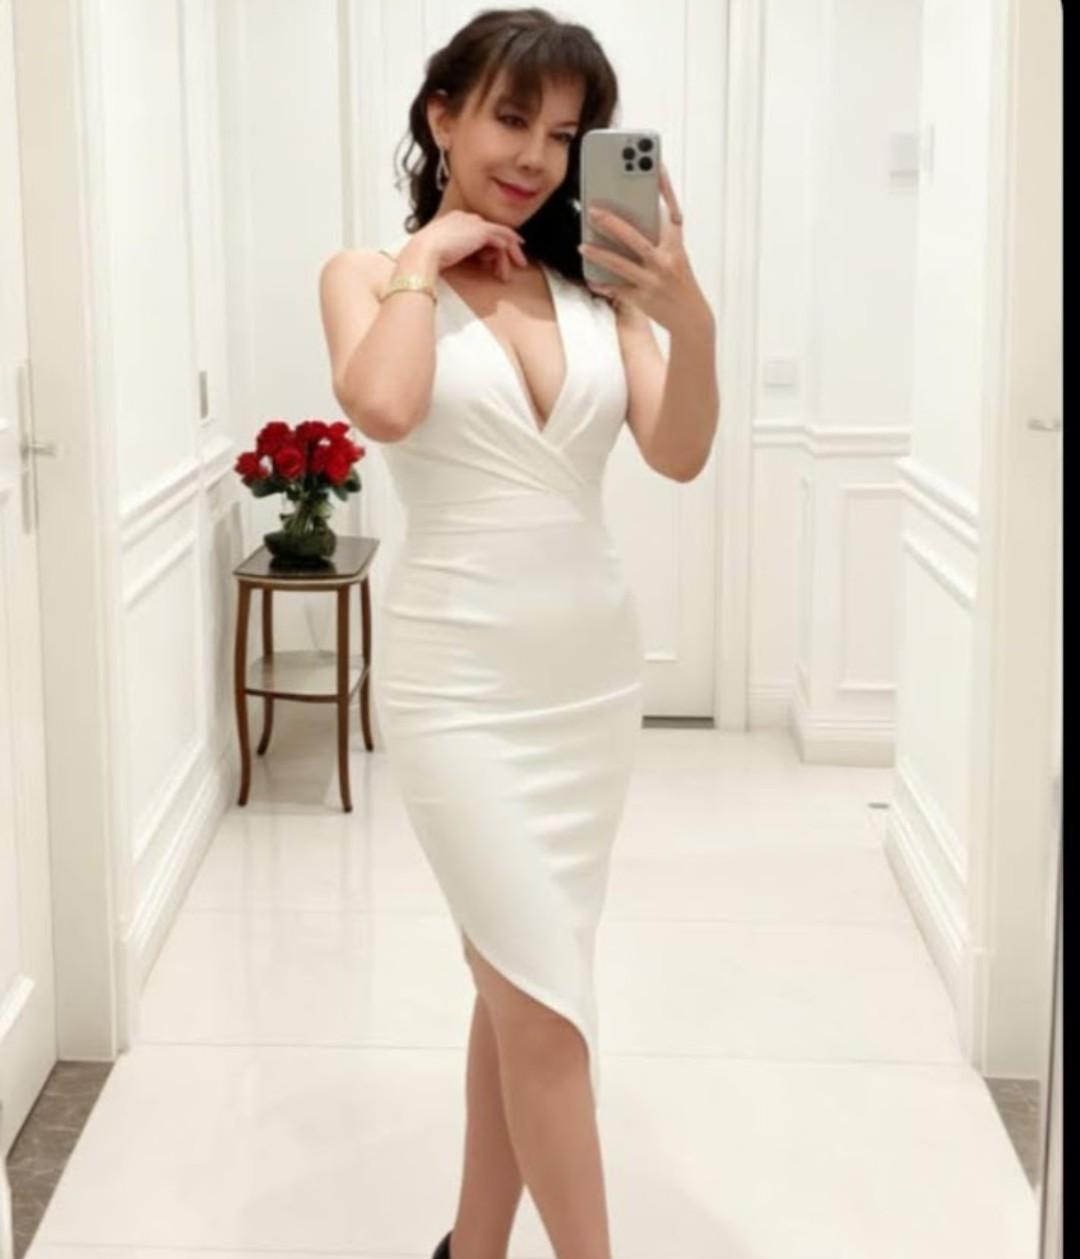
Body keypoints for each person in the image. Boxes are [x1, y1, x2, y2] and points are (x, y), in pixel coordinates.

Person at [318, 10, 716, 1258]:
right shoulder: (366, 274)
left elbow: (679, 451)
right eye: (509, 118)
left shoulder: (597, 290)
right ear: (442, 115)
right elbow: (385, 403)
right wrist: (426, 255)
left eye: (565, 132)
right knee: (548, 1013)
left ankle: (473, 1246)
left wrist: (687, 314)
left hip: (586, 689)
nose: (537, 155)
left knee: (520, 984)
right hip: (459, 692)